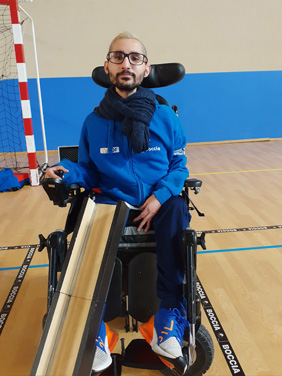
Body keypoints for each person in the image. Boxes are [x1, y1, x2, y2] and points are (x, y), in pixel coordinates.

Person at [45, 32, 190, 376]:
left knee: (175, 209)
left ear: (146, 68)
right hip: (112, 202)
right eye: (118, 57)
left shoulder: (166, 118)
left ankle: (166, 317)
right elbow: (88, 169)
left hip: (158, 204)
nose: (126, 63)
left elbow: (179, 167)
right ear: (107, 67)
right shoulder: (93, 123)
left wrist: (160, 196)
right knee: (85, 213)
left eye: (135, 58)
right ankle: (94, 326)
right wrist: (65, 172)